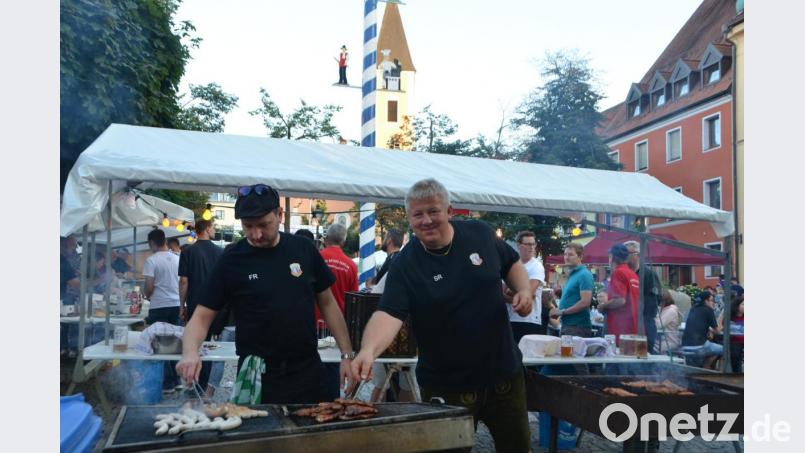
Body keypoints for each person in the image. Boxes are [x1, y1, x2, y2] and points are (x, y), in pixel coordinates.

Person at [352, 178, 534, 453]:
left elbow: (511, 263)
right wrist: (368, 350)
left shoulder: (481, 234)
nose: (426, 220)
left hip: (504, 379)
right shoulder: (406, 264)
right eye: (418, 214)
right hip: (446, 387)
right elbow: (389, 313)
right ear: (410, 219)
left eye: (433, 211)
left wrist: (524, 291)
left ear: (450, 211)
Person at [176, 184, 357, 404]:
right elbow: (202, 317)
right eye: (248, 226)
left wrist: (346, 354)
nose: (256, 234)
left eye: (263, 225)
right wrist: (190, 353)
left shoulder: (303, 249)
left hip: (306, 370)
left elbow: (328, 304)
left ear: (279, 215)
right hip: (256, 374)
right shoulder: (232, 258)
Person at [178, 218, 224, 392]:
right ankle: (205, 383)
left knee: (196, 344)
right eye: (213, 227)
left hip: (195, 305)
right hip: (215, 306)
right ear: (206, 229)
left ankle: (193, 382)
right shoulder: (220, 252)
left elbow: (184, 281)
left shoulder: (188, 251)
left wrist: (182, 306)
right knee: (211, 346)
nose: (214, 230)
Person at [318, 222, 359, 399]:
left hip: (314, 322)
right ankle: (330, 402)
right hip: (338, 327)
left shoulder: (317, 258)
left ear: (326, 240)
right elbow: (354, 298)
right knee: (333, 368)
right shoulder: (350, 265)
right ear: (343, 242)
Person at [143, 228, 182, 391]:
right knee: (175, 342)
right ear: (164, 240)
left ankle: (167, 383)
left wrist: (146, 294)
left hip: (159, 305)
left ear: (152, 243)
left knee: (160, 344)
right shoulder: (178, 259)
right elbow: (183, 282)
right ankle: (177, 380)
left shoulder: (151, 260)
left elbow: (149, 286)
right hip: (176, 304)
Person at [504, 230, 546, 342]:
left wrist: (511, 291)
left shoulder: (536, 266)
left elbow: (528, 293)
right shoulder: (512, 265)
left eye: (533, 244)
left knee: (527, 358)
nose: (531, 247)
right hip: (510, 318)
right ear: (518, 245)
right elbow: (501, 293)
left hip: (529, 320)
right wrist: (519, 293)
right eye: (528, 244)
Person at [623, 240, 662, 352]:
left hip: (644, 324)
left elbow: (654, 301)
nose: (625, 257)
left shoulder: (648, 274)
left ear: (638, 255)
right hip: (627, 325)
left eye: (628, 254)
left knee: (643, 357)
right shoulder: (623, 274)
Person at [550, 243, 594, 338]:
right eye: (565, 254)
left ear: (580, 257)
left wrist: (562, 312)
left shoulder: (584, 274)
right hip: (569, 326)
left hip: (577, 327)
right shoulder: (573, 274)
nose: (566, 257)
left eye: (570, 254)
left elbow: (585, 302)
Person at [597, 244, 640, 340]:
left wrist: (603, 306)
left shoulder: (618, 272)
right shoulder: (632, 274)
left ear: (612, 257)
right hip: (633, 326)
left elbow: (620, 300)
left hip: (621, 329)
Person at [681, 290, 723, 369]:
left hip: (685, 346)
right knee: (724, 350)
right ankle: (709, 368)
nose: (713, 303)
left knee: (713, 348)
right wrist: (722, 317)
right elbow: (717, 331)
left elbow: (698, 325)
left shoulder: (693, 309)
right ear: (706, 301)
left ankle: (706, 368)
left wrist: (709, 330)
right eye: (712, 300)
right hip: (699, 347)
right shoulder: (708, 310)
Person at [719, 294, 744, 372]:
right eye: (743, 304)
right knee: (735, 354)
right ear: (737, 306)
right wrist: (722, 314)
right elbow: (720, 327)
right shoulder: (730, 317)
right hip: (735, 341)